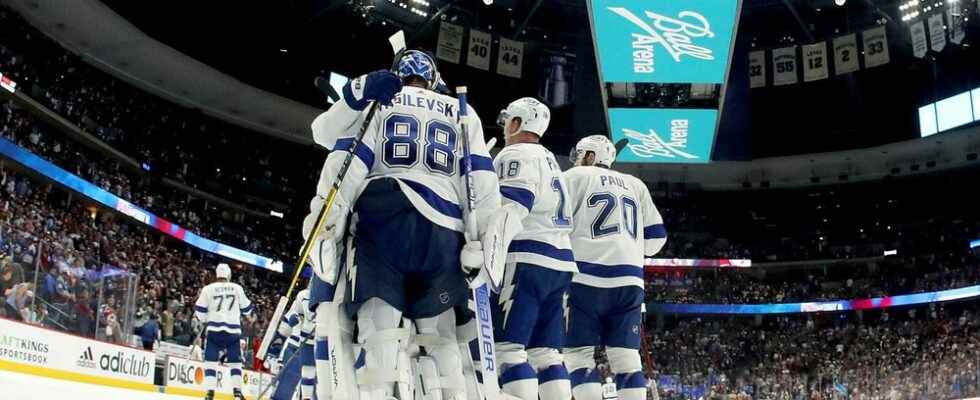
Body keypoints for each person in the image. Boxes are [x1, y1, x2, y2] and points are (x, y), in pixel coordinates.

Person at [305, 49, 500, 400]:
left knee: (380, 334)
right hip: (444, 232)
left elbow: (342, 157)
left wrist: (327, 223)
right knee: (441, 343)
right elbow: (480, 185)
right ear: (435, 80)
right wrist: (482, 243)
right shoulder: (461, 110)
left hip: (385, 220)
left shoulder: (380, 100)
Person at [562, 135, 667, 400]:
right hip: (629, 282)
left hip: (584, 277)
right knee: (626, 357)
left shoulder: (573, 177)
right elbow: (655, 241)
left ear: (589, 156)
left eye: (580, 154)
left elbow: (555, 222)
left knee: (578, 355)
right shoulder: (636, 184)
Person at [484, 97, 575, 400]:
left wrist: (486, 250)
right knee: (547, 354)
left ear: (517, 123)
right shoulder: (551, 160)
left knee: (508, 351)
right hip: (560, 263)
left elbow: (512, 206)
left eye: (508, 120)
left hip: (526, 259)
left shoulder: (515, 153)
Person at [195, 263, 255, 400]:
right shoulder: (237, 288)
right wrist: (250, 316)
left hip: (214, 330)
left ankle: (210, 393)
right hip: (233, 331)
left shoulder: (208, 289)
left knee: (211, 361)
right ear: (228, 275)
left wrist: (204, 319)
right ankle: (237, 393)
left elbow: (199, 311)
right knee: (235, 363)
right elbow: (247, 309)